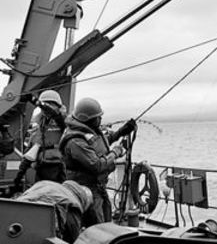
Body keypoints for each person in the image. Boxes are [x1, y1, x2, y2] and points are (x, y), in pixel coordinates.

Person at [58, 97, 136, 226]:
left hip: (98, 187)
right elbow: (97, 165)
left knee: (106, 221)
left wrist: (121, 132)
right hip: (86, 190)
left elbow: (100, 144)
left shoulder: (87, 132)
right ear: (88, 119)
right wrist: (116, 152)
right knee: (96, 225)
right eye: (98, 117)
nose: (100, 119)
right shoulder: (76, 142)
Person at [14, 90, 68, 190]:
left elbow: (54, 114)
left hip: (57, 168)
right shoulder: (39, 126)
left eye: (51, 104)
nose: (46, 108)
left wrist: (35, 101)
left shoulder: (62, 122)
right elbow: (31, 152)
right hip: (40, 168)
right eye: (45, 104)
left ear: (58, 106)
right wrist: (18, 177)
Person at [17, 179, 93, 243]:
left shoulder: (46, 184)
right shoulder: (73, 202)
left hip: (15, 218)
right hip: (41, 231)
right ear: (84, 201)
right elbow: (73, 237)